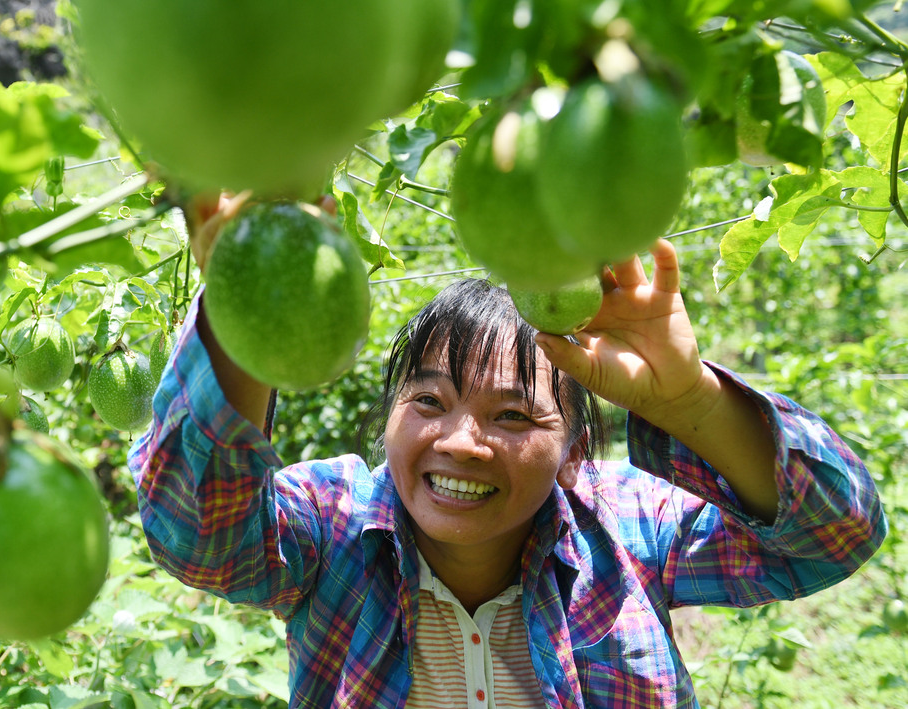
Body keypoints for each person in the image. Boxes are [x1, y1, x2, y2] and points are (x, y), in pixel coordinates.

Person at [128, 194, 887, 709]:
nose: (460, 441)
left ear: (573, 450)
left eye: (515, 415)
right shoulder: (331, 526)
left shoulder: (626, 524)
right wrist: (248, 307)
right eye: (427, 400)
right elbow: (200, 535)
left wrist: (686, 398)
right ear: (388, 415)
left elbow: (830, 535)